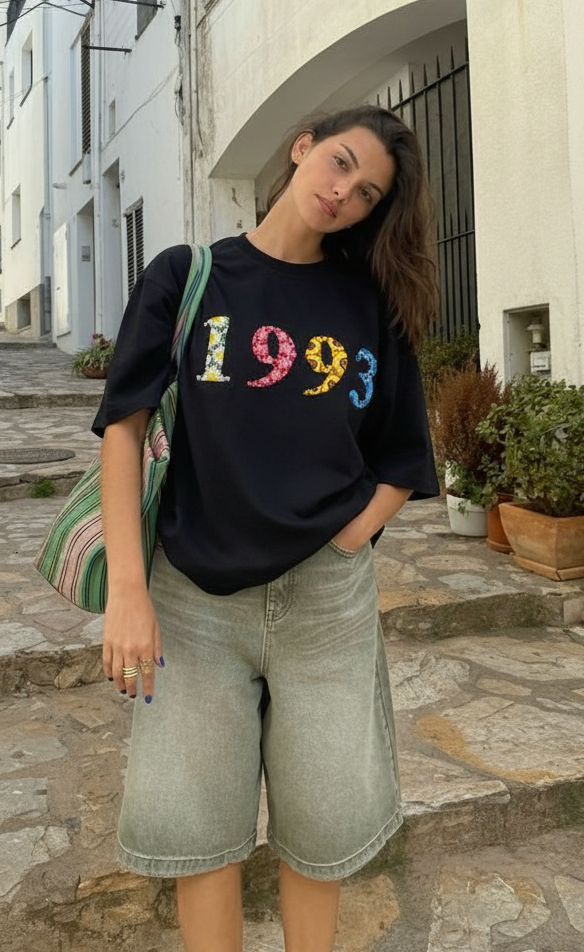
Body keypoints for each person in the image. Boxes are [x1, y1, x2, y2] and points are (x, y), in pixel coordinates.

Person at [92, 104, 440, 952]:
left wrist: (349, 539)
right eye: (340, 164)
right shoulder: (188, 275)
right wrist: (128, 594)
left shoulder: (370, 304)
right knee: (199, 826)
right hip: (195, 601)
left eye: (366, 194)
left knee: (320, 831)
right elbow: (124, 429)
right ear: (303, 147)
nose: (343, 193)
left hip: (325, 605)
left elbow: (403, 456)